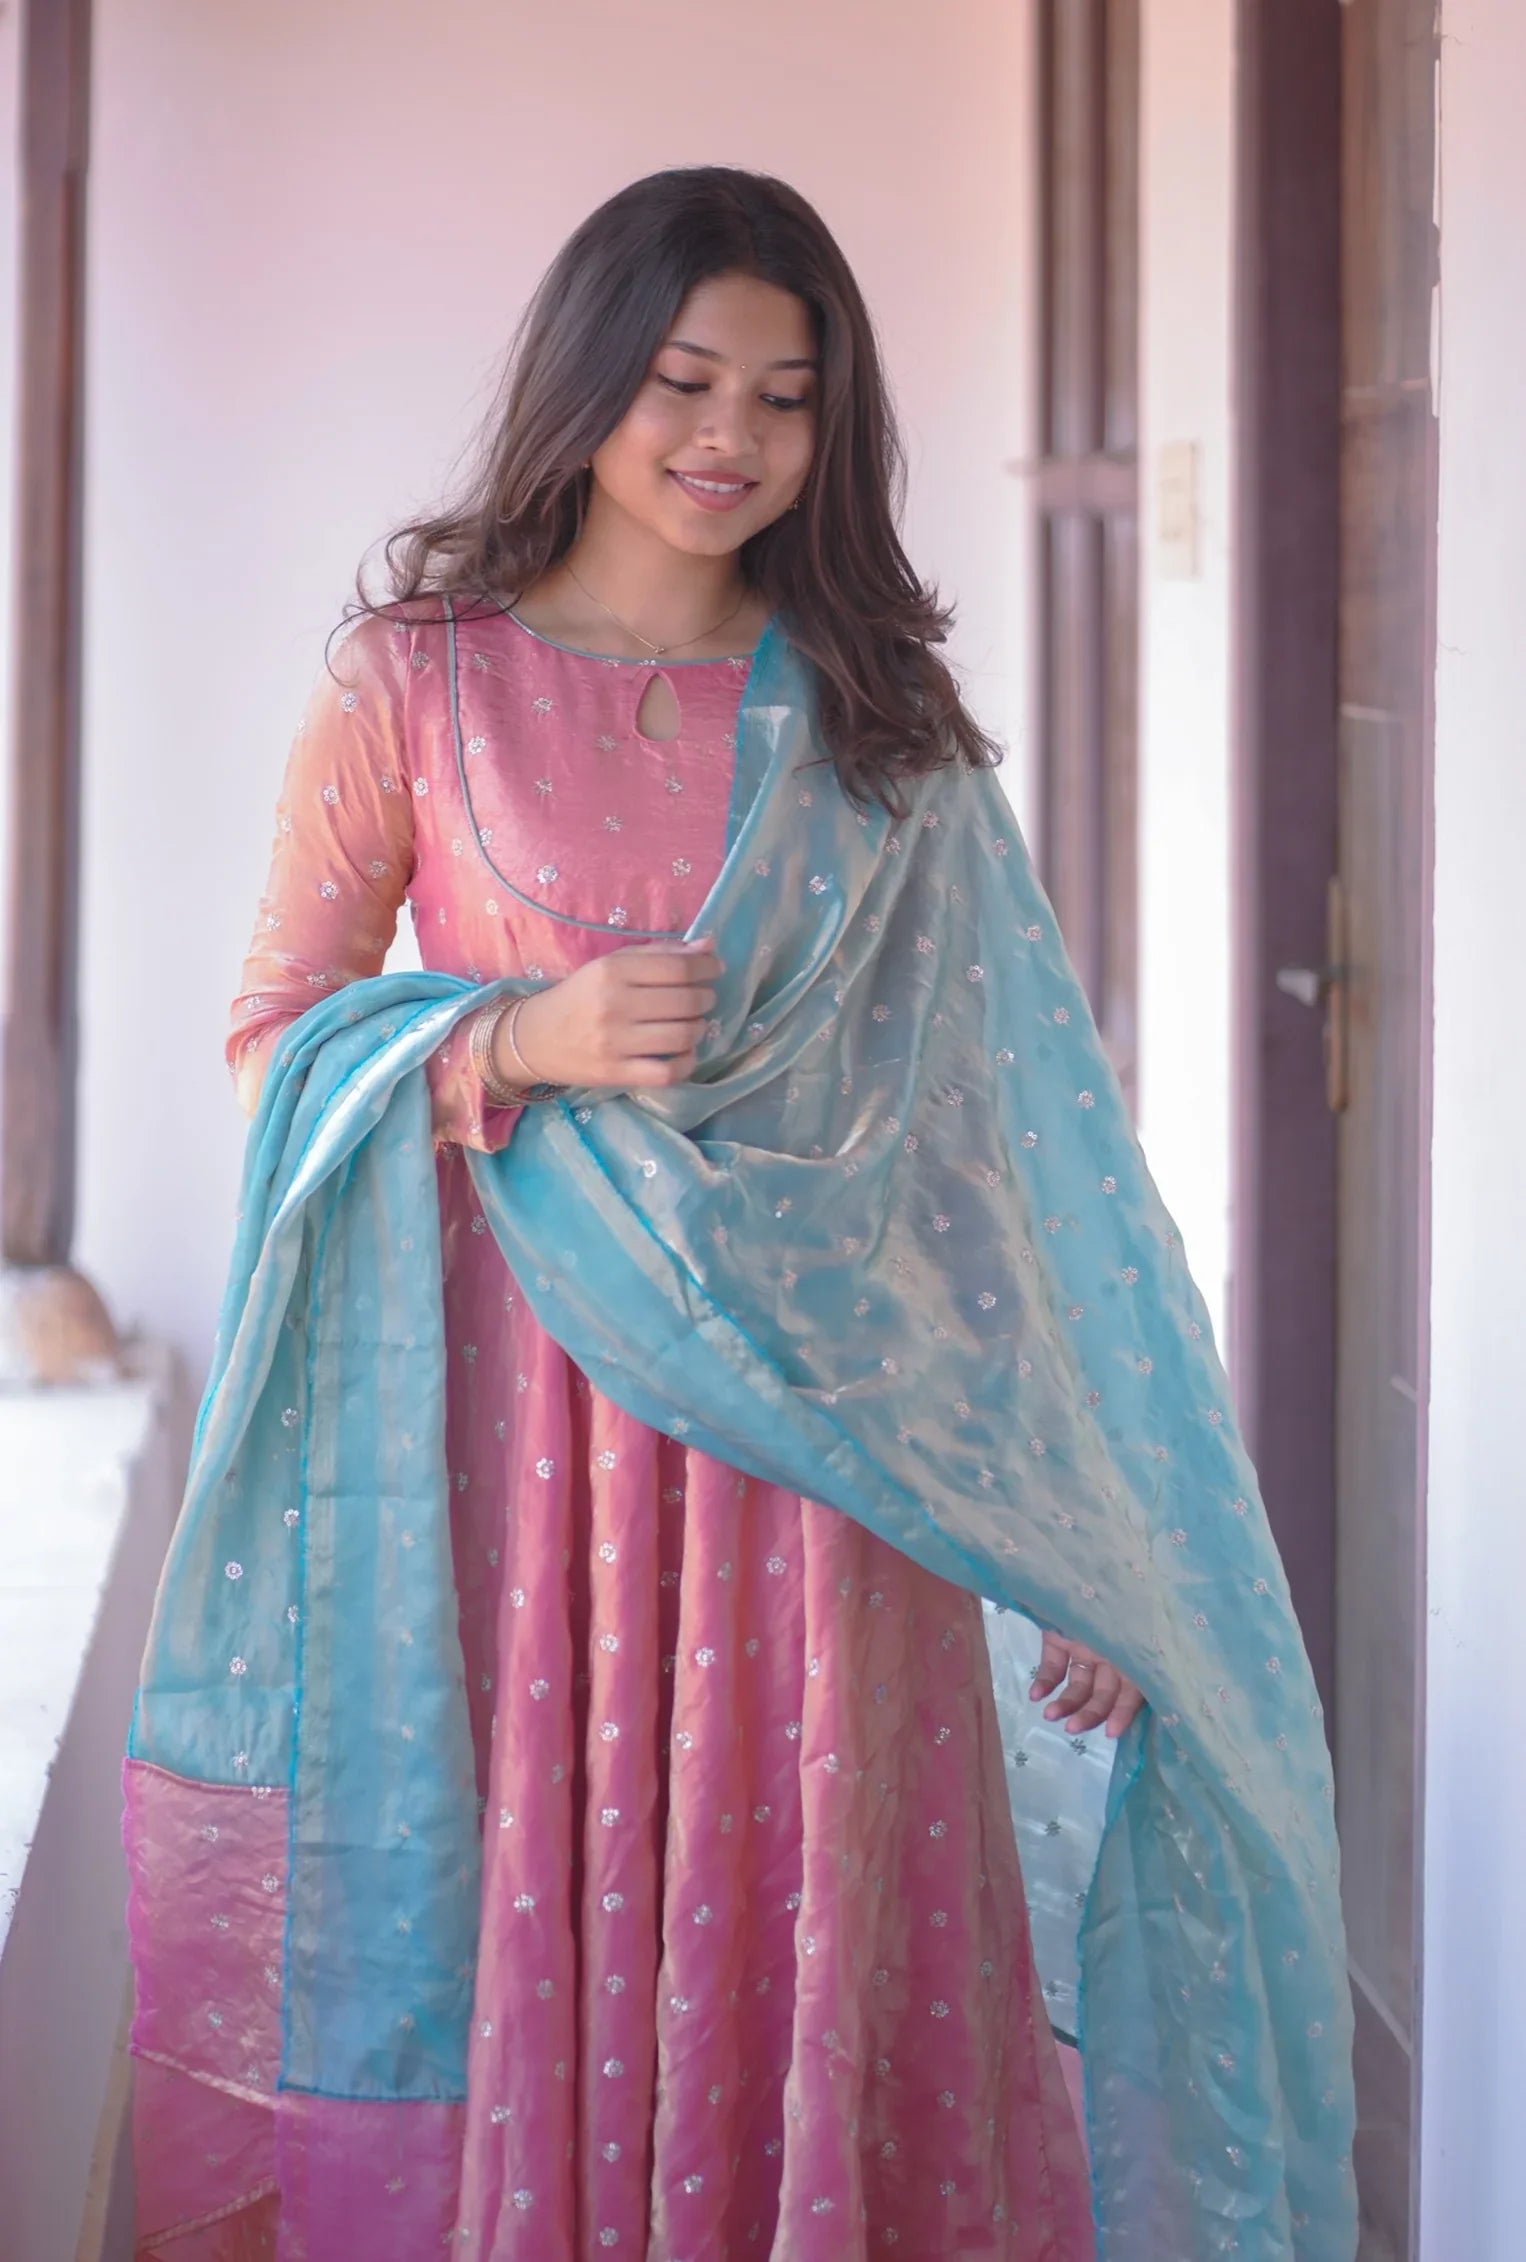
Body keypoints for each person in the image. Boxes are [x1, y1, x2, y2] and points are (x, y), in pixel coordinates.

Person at [124, 167, 1355, 2262]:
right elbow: (269, 1044)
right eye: (685, 378)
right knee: (556, 1911)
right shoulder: (415, 684)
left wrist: (1069, 1525)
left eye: (785, 396)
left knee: (818, 1911)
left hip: (832, 1474)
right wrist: (516, 1045)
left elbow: (998, 1170)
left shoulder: (884, 729)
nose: (727, 437)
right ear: (591, 382)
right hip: (530, 1472)